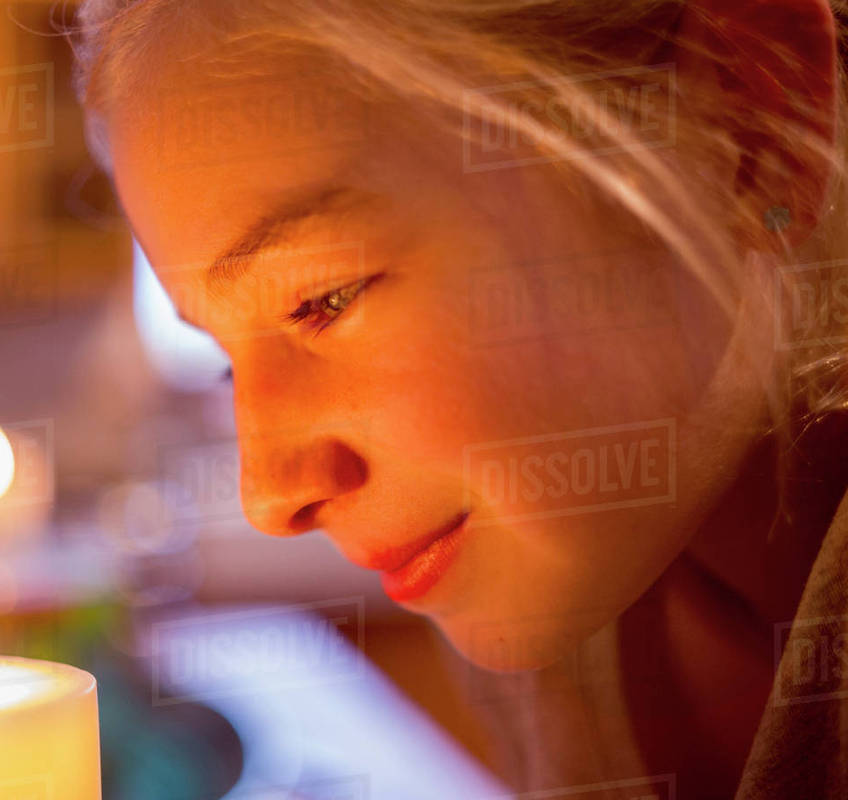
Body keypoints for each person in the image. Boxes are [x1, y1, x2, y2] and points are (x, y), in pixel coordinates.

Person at [70, 1, 848, 796]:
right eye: (226, 361)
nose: (268, 498)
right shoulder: (554, 588)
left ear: (751, 113)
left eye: (325, 298)